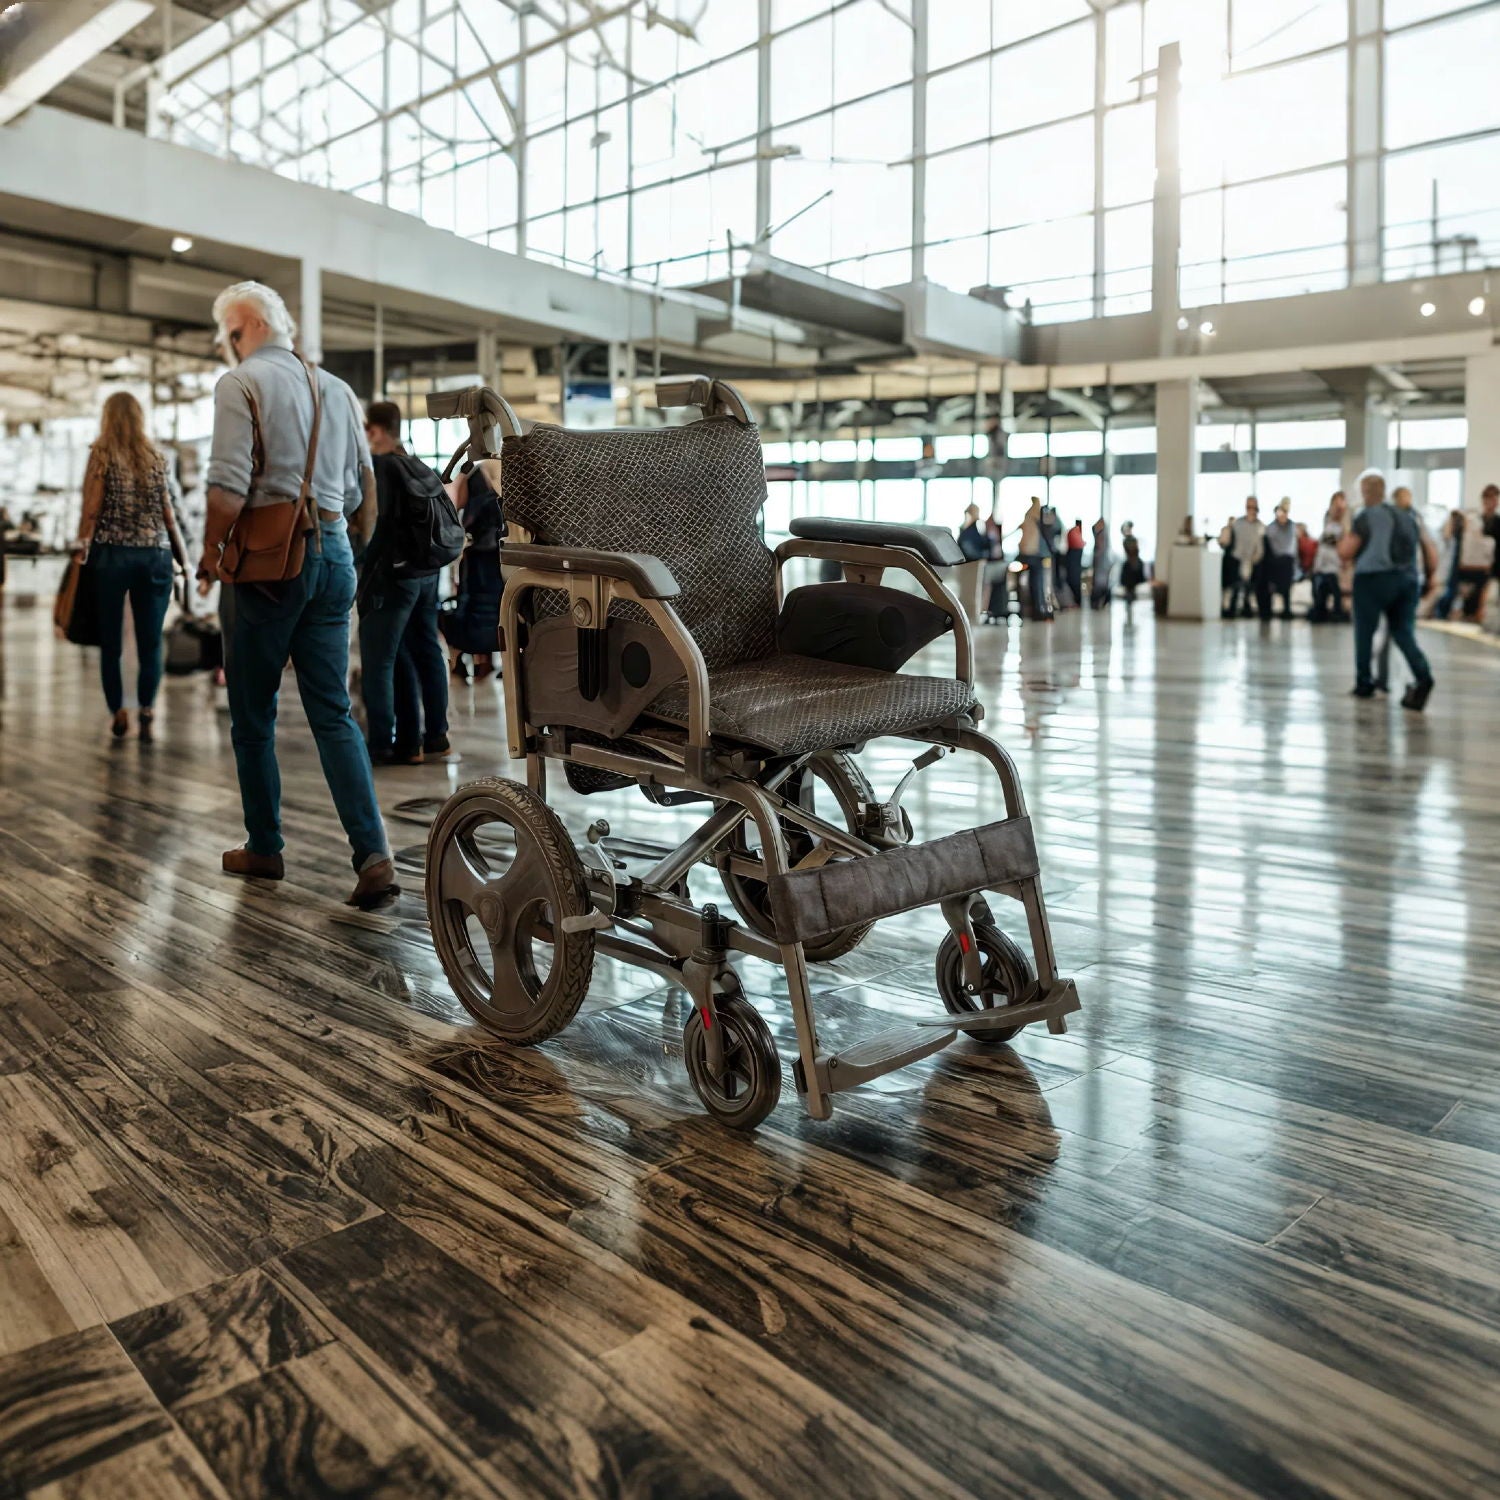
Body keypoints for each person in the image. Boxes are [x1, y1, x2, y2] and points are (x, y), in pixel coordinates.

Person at [195, 279, 397, 910]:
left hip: (269, 563)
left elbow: (228, 485)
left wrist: (208, 554)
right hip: (334, 555)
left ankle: (265, 845)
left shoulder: (241, 384)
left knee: (252, 716)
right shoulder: (336, 388)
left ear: (246, 326)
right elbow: (365, 492)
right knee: (332, 711)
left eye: (229, 335)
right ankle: (373, 855)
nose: (228, 348)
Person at [72, 391, 189, 740]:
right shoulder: (155, 456)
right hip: (155, 555)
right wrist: (182, 558)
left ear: (107, 418)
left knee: (112, 640)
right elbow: (169, 513)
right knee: (151, 639)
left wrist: (81, 547)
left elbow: (91, 509)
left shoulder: (101, 454)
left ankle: (119, 711)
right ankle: (148, 707)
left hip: (112, 555)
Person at [358, 400, 451, 764]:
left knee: (380, 659)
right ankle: (435, 738)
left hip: (393, 577)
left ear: (375, 431)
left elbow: (374, 526)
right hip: (427, 573)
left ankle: (383, 742)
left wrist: (363, 566)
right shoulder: (418, 464)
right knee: (424, 652)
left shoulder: (382, 468)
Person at [1339, 469, 1437, 709]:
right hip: (1407, 581)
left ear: (1364, 492)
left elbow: (1345, 552)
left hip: (1373, 580)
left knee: (1365, 632)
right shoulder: (1407, 516)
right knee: (1403, 633)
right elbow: (1430, 554)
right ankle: (1423, 677)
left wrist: (1344, 531)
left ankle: (1364, 683)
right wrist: (1429, 579)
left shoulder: (1365, 516)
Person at [443, 457, 505, 678]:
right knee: (494, 612)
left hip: (480, 562)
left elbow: (459, 506)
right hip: (496, 563)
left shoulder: (479, 503)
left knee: (474, 611)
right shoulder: (499, 505)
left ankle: (473, 662)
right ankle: (485, 663)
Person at [1219, 498, 1264, 618]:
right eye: (1248, 507)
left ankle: (1247, 610)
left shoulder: (1260, 526)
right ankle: (1230, 612)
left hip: (1252, 561)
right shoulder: (1237, 523)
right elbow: (1228, 540)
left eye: (1253, 507)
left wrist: (1255, 559)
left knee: (1249, 589)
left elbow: (1260, 547)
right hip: (1236, 559)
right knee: (1235, 587)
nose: (1251, 510)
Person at [1309, 491, 1349, 623]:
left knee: (1334, 588)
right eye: (1335, 504)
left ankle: (1337, 612)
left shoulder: (1345, 525)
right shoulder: (1328, 524)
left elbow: (1340, 544)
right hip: (1322, 565)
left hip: (1334, 566)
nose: (1337, 507)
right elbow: (1323, 546)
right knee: (1320, 589)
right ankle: (1321, 611)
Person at [1018, 497, 1052, 620]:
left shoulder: (1028, 516)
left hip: (1030, 555)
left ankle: (1035, 609)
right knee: (1039, 583)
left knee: (1035, 583)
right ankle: (1040, 608)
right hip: (1039, 555)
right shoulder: (1039, 517)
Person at [1433, 508, 1467, 620]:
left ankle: (1445, 613)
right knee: (1446, 592)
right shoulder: (1447, 536)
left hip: (1457, 568)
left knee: (1453, 592)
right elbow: (1446, 536)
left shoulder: (1462, 536)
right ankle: (1440, 613)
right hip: (1447, 568)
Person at [1118, 520, 1146, 603]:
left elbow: (1135, 551)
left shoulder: (1132, 540)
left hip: (1134, 565)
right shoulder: (1127, 541)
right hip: (1131, 565)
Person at [1063, 517, 1085, 608]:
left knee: (1074, 582)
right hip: (1075, 567)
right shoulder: (1076, 534)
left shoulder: (1073, 533)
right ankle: (1076, 602)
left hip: (1073, 567)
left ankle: (1076, 602)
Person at [1089, 516, 1110, 608]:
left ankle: (1098, 602)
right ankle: (1098, 602)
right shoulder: (1099, 533)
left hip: (1101, 563)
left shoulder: (1102, 535)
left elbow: (1101, 547)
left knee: (1099, 583)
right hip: (1099, 563)